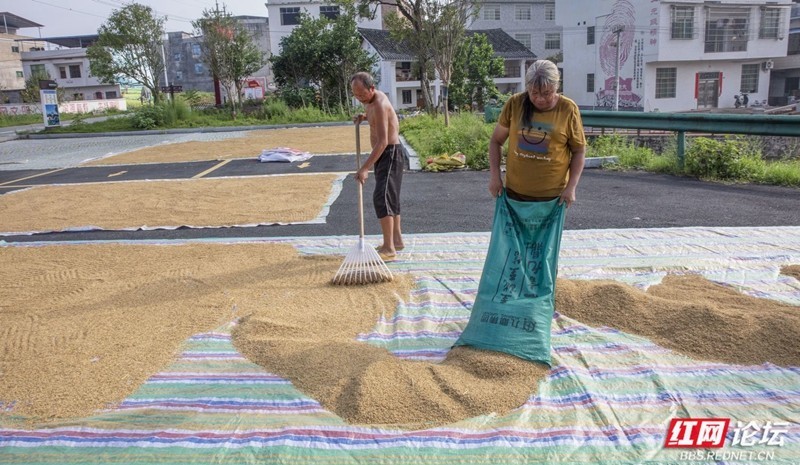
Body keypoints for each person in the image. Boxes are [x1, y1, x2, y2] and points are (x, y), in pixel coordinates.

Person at [488, 59, 585, 206]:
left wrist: (571, 187)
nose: (540, 99)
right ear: (527, 88)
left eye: (547, 93)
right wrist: (495, 177)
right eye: (534, 93)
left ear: (557, 87)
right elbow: (496, 141)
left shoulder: (568, 109)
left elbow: (579, 151)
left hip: (553, 198)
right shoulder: (515, 103)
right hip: (515, 194)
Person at [350, 72, 404, 261]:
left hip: (390, 153)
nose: (359, 98)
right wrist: (364, 116)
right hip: (384, 155)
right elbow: (374, 117)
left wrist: (364, 168)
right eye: (356, 95)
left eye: (362, 94)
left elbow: (382, 142)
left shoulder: (380, 103)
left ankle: (389, 248)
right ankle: (396, 240)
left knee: (383, 197)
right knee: (390, 197)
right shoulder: (370, 102)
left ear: (371, 88)